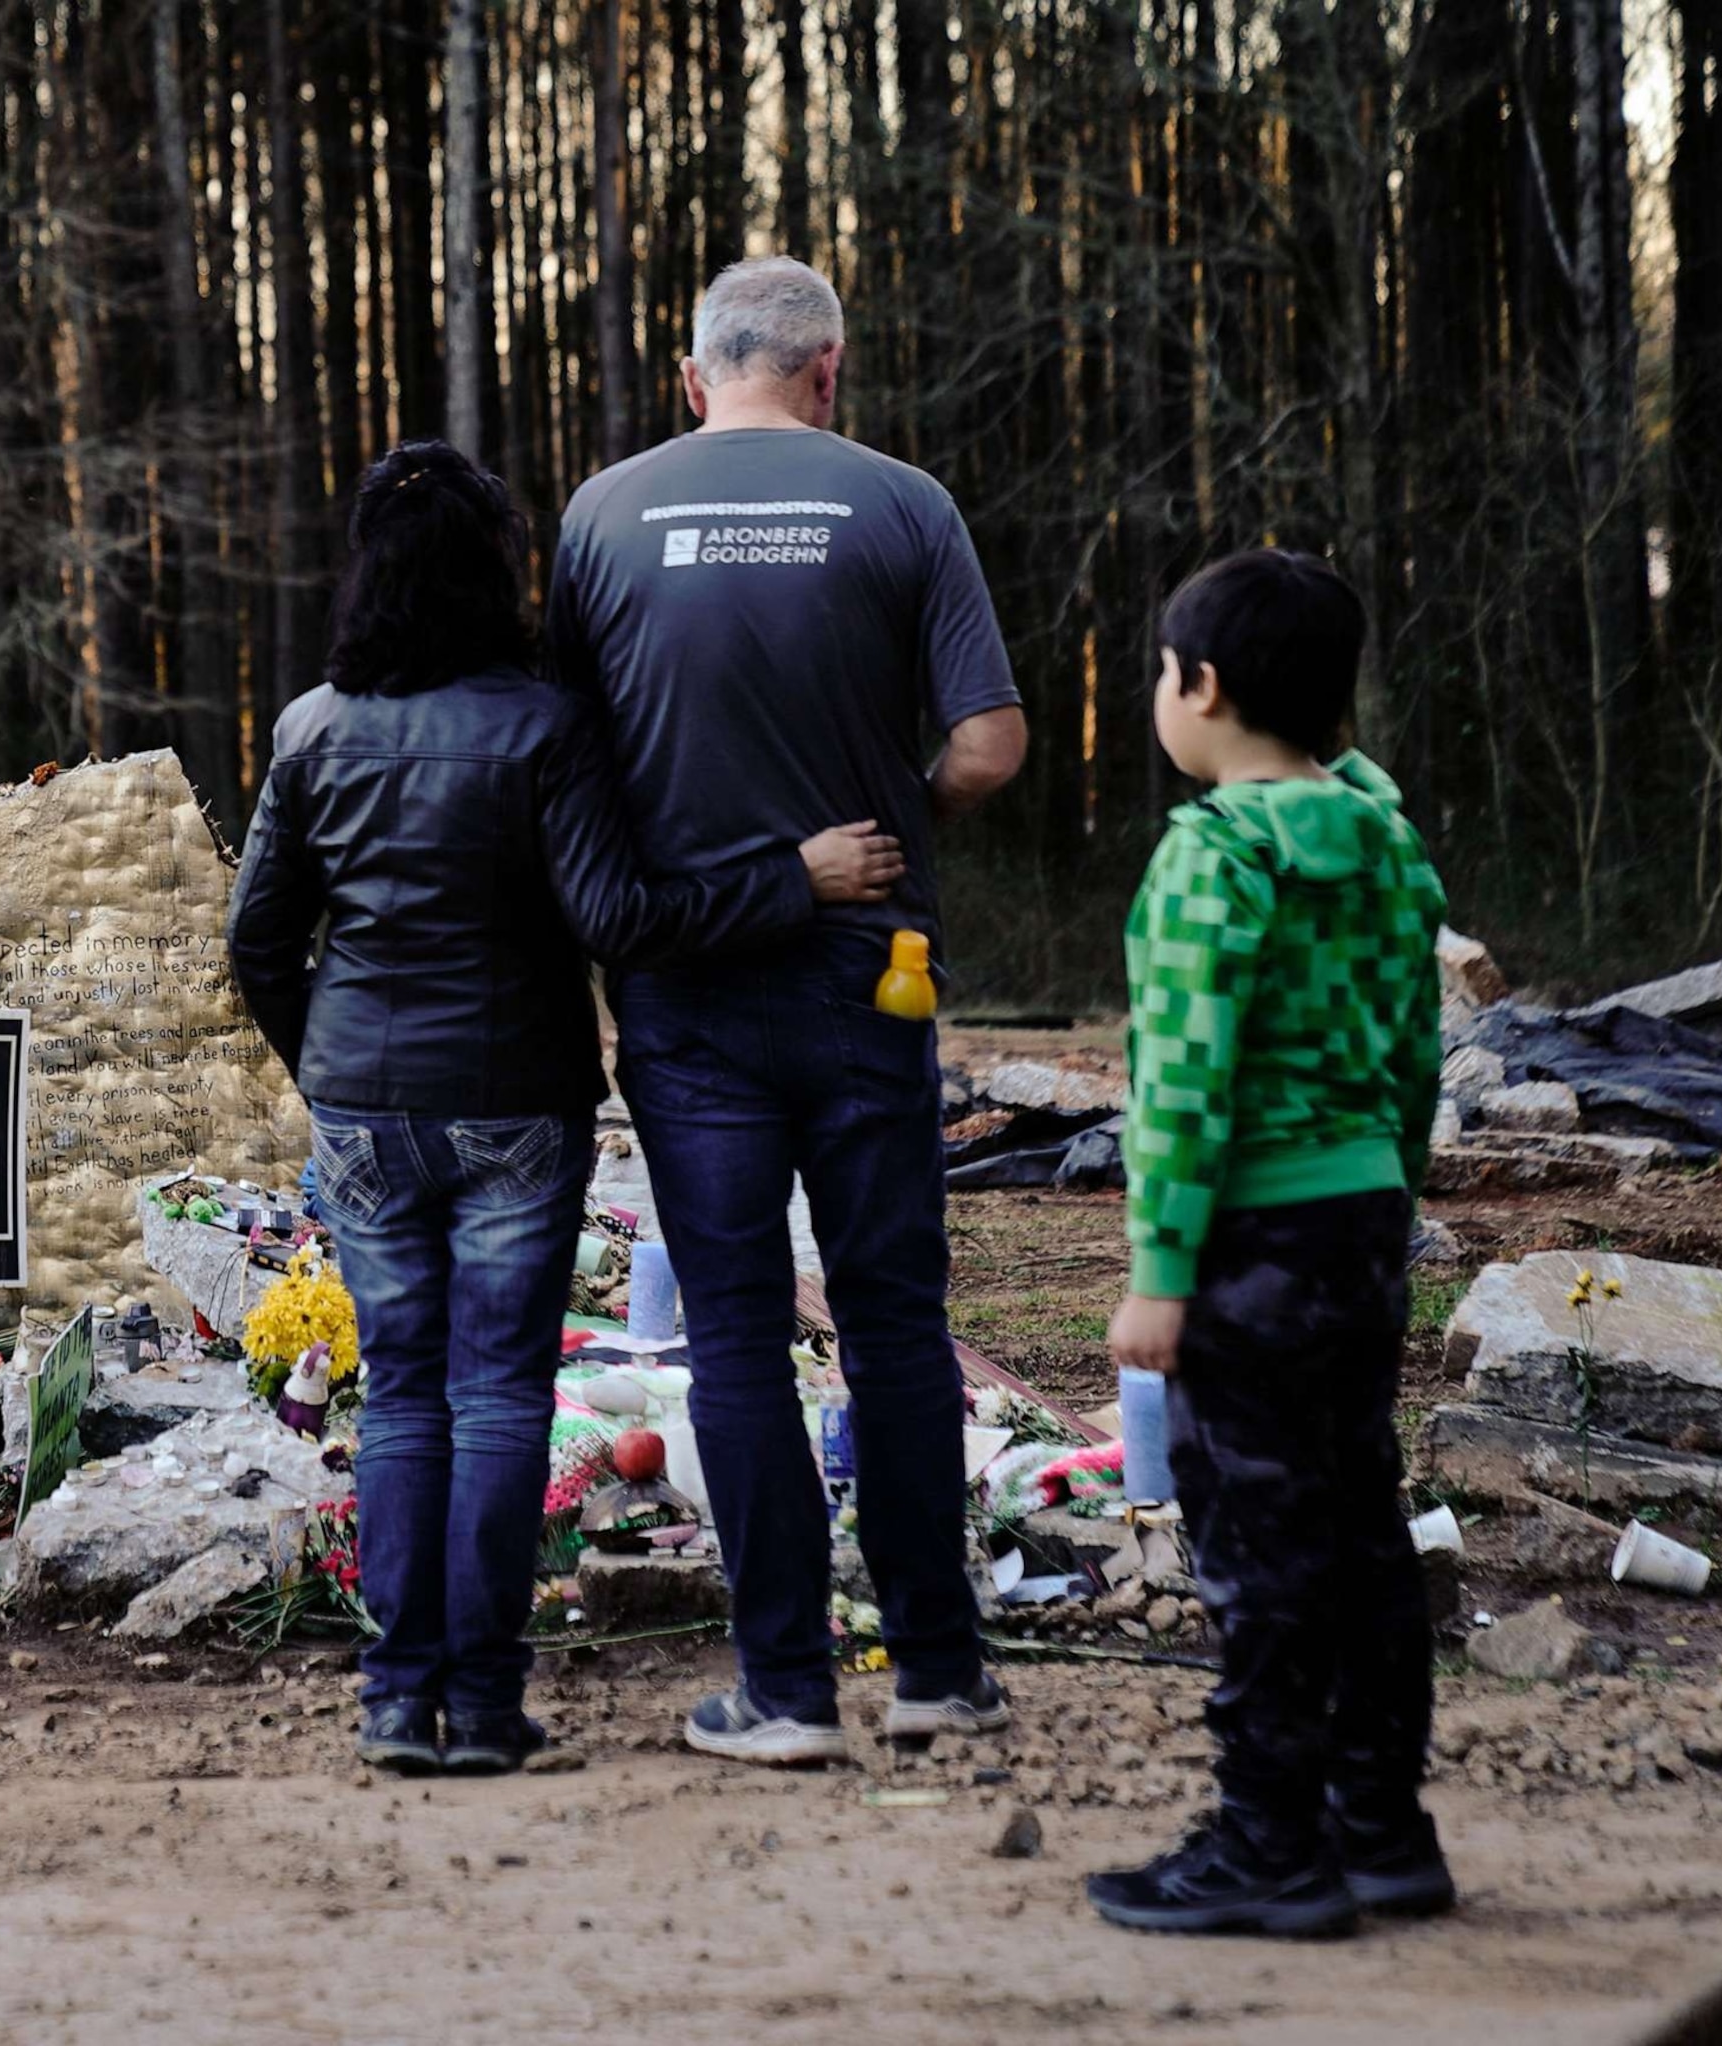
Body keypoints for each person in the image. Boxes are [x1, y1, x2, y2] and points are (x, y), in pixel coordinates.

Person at [227, 440, 907, 1777]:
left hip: (363, 1107)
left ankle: (390, 1703)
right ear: (497, 577)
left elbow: (259, 940)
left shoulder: (310, 729)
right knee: (493, 1400)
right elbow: (622, 920)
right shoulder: (543, 726)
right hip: (516, 1109)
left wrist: (333, 1071)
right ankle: (482, 1706)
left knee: (405, 1399)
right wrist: (796, 878)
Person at [546, 256, 1028, 1765]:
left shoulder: (602, 516)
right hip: (870, 981)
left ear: (696, 381)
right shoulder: (906, 504)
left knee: (740, 1334)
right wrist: (899, 803)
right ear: (831, 373)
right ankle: (939, 1668)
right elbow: (994, 743)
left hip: (687, 991)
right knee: (895, 1326)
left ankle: (785, 1690)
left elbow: (568, 759)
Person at [1088, 549, 1450, 1939]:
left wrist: (1159, 1275)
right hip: (1361, 1215)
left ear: (1207, 688)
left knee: (1257, 1535)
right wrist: (1390, 1188)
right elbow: (1417, 1047)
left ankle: (1268, 1843)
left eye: (1161, 675)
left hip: (1249, 1229)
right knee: (1362, 1516)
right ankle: (1383, 1824)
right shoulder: (1383, 840)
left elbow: (1183, 1081)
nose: (1158, 697)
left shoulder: (1213, 855)